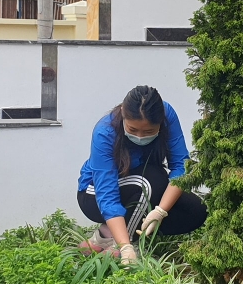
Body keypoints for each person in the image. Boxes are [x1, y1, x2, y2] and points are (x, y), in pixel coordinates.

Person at [77, 85, 207, 265]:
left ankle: (103, 237)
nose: (140, 136)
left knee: (195, 210)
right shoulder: (105, 131)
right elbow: (107, 196)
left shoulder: (167, 115)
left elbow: (181, 167)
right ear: (123, 113)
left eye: (148, 132)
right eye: (132, 129)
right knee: (153, 179)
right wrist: (125, 247)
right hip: (93, 195)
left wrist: (161, 212)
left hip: (143, 187)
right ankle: (123, 246)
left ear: (160, 121)